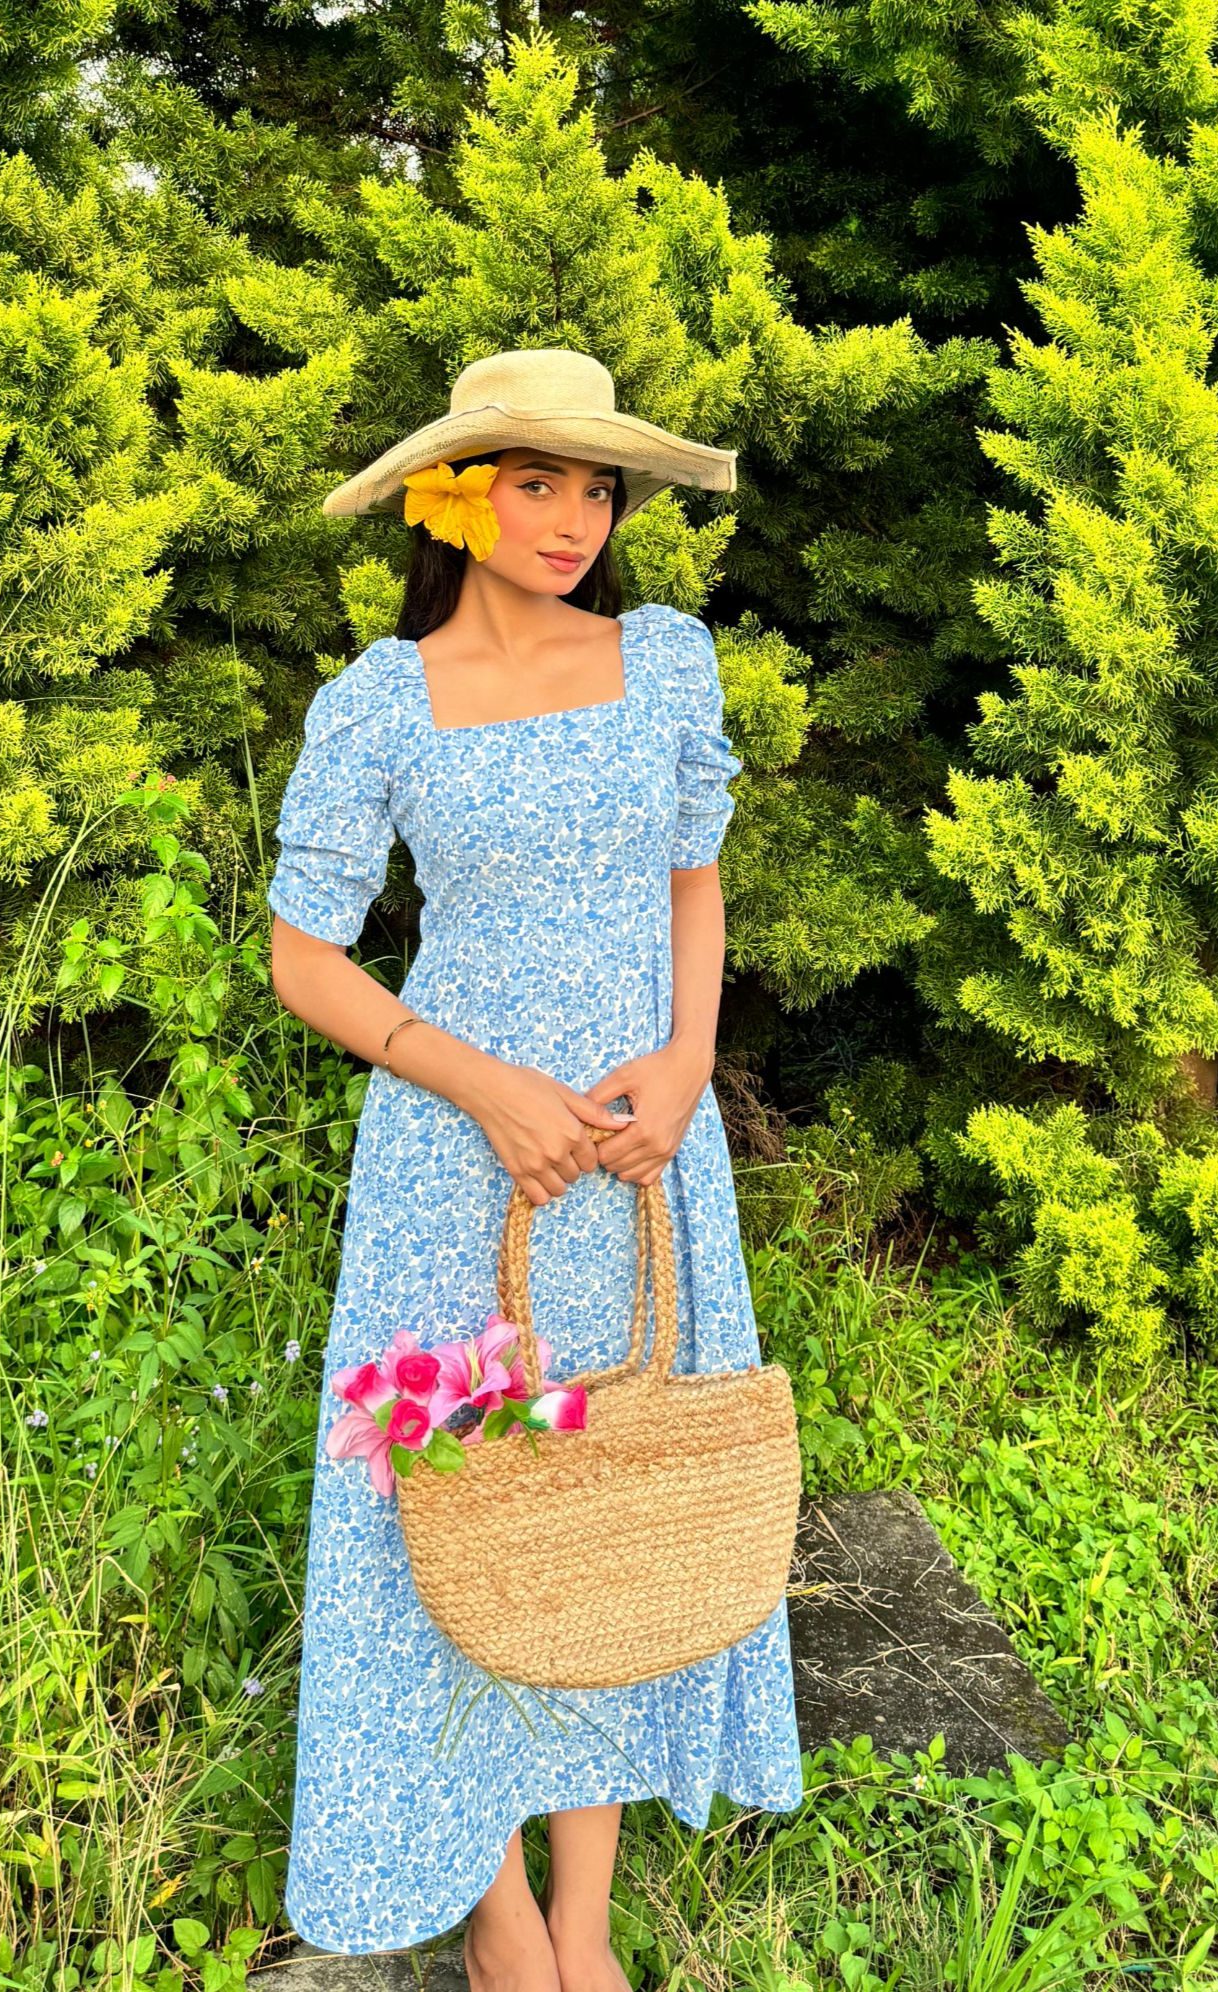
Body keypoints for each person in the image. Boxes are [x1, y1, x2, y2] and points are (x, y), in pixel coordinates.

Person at [268, 348, 804, 1987]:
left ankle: (585, 1921)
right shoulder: (382, 700)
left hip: (644, 1158)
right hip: (459, 1167)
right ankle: (497, 1914)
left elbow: (692, 884)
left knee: (613, 1505)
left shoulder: (665, 663)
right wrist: (487, 1089)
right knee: (453, 1508)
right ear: (455, 492)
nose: (576, 517)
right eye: (537, 479)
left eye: (599, 486)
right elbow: (308, 954)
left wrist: (693, 1057)